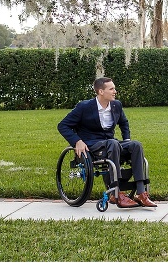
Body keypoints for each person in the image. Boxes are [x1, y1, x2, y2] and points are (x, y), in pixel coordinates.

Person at [57, 77, 157, 208]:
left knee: (135, 145)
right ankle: (117, 194)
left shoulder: (116, 105)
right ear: (101, 92)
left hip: (111, 143)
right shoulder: (84, 107)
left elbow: (124, 123)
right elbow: (62, 125)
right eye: (111, 89)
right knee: (113, 143)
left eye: (114, 88)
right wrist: (77, 141)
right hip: (92, 145)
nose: (115, 91)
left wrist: (126, 140)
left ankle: (141, 193)